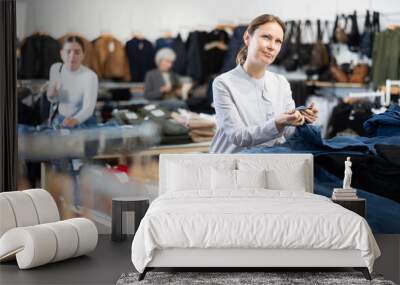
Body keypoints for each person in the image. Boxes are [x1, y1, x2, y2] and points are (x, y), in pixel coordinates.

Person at [209, 14, 318, 153]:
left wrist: (300, 119)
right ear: (247, 38)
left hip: (269, 164)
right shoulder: (223, 83)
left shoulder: (281, 83)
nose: (272, 46)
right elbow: (238, 136)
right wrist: (277, 123)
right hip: (231, 166)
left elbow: (288, 134)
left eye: (278, 41)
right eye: (266, 37)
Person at [47, 35, 98, 129]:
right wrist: (51, 95)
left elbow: (88, 108)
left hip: (83, 122)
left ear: (83, 55)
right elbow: (52, 99)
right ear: (61, 54)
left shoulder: (90, 76)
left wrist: (75, 120)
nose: (72, 56)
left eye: (77, 52)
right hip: (61, 120)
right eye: (68, 52)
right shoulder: (56, 68)